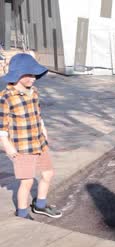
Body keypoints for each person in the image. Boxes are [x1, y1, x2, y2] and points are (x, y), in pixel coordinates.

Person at [0, 53, 62, 219]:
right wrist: (6, 144)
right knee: (26, 182)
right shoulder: (6, 97)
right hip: (22, 147)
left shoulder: (33, 92)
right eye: (28, 74)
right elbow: (2, 125)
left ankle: (40, 205)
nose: (33, 78)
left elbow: (38, 115)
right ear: (17, 74)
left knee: (48, 174)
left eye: (34, 74)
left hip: (39, 143)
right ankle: (22, 213)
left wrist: (44, 129)